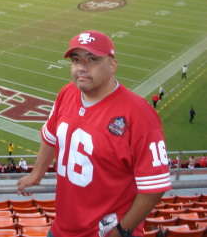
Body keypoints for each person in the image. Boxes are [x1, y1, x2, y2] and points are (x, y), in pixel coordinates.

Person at [17, 30, 171, 237]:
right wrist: (37, 172)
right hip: (62, 228)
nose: (82, 67)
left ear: (112, 65)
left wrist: (122, 230)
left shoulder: (140, 115)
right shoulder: (67, 93)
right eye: (76, 59)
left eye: (93, 59)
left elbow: (154, 186)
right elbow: (50, 137)